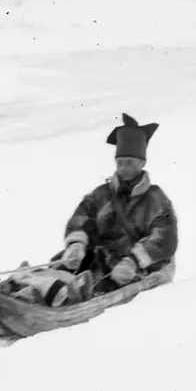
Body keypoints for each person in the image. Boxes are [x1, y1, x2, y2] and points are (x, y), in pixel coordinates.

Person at [55, 112, 178, 298]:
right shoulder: (101, 195)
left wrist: (134, 261)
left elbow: (164, 238)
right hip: (101, 263)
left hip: (139, 270)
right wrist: (76, 245)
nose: (123, 169)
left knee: (95, 289)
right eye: (119, 163)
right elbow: (82, 218)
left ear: (142, 162)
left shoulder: (156, 199)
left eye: (129, 163)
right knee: (61, 269)